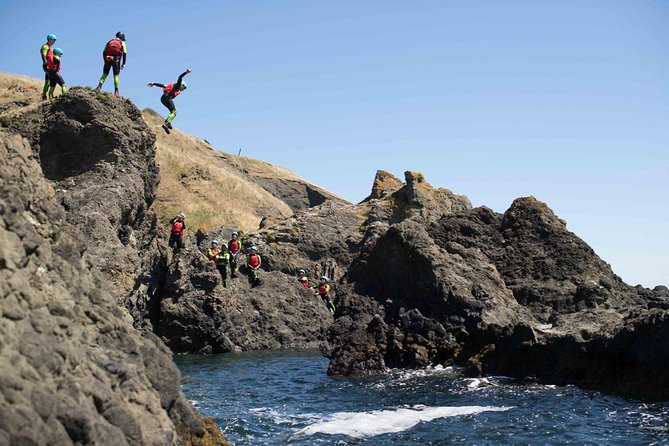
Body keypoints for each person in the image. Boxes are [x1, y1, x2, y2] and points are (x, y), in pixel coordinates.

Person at [147, 68, 191, 134]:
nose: (183, 90)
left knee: (171, 111)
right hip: (168, 97)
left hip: (162, 99)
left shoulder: (171, 86)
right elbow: (180, 77)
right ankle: (166, 124)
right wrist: (186, 72)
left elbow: (163, 85)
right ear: (182, 85)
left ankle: (168, 123)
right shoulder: (177, 85)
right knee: (174, 112)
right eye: (184, 88)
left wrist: (154, 83)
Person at [95, 32, 127, 97]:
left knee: (105, 74)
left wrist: (105, 61)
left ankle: (99, 86)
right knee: (116, 76)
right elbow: (124, 54)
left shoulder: (110, 41)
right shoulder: (122, 43)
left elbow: (104, 52)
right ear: (121, 37)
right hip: (116, 60)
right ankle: (116, 91)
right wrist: (123, 63)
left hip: (108, 58)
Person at [40, 34, 57, 100]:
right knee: (49, 81)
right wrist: (45, 64)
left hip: (50, 66)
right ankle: (45, 96)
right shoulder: (45, 47)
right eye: (53, 40)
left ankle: (44, 95)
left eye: (55, 40)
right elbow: (44, 56)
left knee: (48, 81)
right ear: (49, 39)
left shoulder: (51, 48)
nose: (54, 41)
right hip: (47, 66)